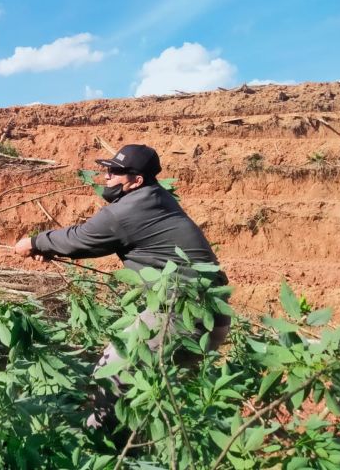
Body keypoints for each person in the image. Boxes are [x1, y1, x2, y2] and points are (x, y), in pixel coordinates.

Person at [13, 143, 230, 430]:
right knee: (158, 401)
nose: (107, 176)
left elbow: (81, 239)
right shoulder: (157, 197)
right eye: (108, 169)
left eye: (116, 171)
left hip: (180, 312)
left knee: (111, 375)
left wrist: (34, 242)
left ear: (136, 181)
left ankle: (102, 449)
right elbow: (85, 243)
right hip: (212, 315)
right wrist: (55, 248)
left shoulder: (126, 210)